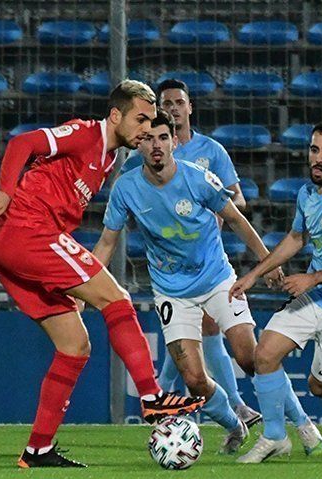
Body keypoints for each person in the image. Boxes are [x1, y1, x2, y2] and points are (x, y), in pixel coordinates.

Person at [0, 80, 204, 468]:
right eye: (140, 118)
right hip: (26, 232)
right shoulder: (86, 133)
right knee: (117, 298)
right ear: (115, 115)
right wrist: (6, 192)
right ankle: (152, 398)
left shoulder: (110, 158)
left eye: (151, 120)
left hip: (16, 246)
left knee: (74, 345)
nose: (147, 128)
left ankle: (38, 450)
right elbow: (22, 144)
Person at [93, 111, 281, 454]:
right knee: (194, 380)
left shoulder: (197, 179)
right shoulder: (126, 188)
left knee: (249, 356)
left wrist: (267, 262)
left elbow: (236, 220)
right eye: (148, 138)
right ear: (139, 144)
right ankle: (234, 423)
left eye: (163, 138)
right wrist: (84, 284)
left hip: (217, 279)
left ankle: (294, 426)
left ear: (174, 142)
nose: (156, 145)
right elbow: (107, 242)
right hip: (172, 291)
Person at [229, 121, 322, 463]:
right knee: (264, 354)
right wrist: (254, 274)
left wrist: (312, 279)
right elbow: (297, 239)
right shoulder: (307, 194)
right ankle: (275, 436)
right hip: (316, 296)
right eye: (315, 150)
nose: (319, 159)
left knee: (319, 385)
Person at [121, 78, 261, 428]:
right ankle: (192, 400)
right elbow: (127, 197)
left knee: (206, 332)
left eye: (178, 102)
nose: (172, 108)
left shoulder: (210, 151)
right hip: (172, 270)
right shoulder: (146, 153)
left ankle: (164, 395)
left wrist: (211, 213)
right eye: (165, 103)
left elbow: (236, 201)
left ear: (189, 107)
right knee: (195, 339)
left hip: (208, 259)